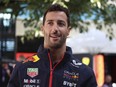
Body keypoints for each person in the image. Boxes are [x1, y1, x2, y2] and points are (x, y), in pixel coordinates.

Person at [8, 3, 97, 87]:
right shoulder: (21, 69)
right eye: (50, 23)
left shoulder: (85, 73)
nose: (55, 29)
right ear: (42, 29)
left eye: (61, 24)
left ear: (68, 31)